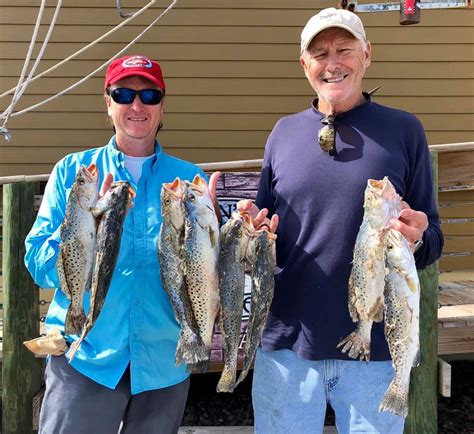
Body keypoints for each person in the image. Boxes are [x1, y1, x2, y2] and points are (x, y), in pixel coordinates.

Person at [238, 8, 443, 434]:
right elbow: (263, 225)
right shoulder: (283, 133)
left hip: (377, 350)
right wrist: (252, 232)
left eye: (344, 49)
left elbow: (433, 239)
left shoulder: (404, 131)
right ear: (305, 65)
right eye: (320, 53)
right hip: (287, 345)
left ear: (367, 54)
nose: (333, 64)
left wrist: (419, 238)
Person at [24, 55, 221, 434]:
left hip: (164, 361)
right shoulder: (74, 172)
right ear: (108, 103)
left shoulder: (188, 179)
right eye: (124, 93)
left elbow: (205, 269)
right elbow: (36, 260)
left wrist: (232, 235)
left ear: (163, 106)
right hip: (86, 356)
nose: (137, 105)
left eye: (149, 94)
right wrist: (82, 231)